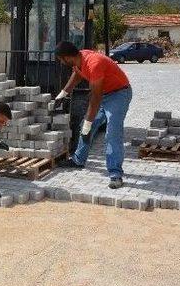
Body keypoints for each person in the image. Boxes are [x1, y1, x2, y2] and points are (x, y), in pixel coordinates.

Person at [53, 41, 132, 189]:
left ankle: (115, 174)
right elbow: (77, 75)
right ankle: (78, 160)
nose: (61, 63)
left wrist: (88, 124)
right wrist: (63, 94)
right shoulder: (79, 58)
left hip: (119, 94)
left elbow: (95, 100)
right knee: (85, 126)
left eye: (61, 60)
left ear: (67, 57)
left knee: (112, 133)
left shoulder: (94, 63)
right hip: (105, 94)